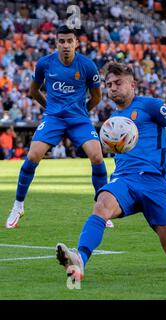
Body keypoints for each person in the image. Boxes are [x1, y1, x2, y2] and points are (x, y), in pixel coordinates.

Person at [56, 62, 166, 283]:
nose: (113, 88)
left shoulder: (150, 106)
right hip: (124, 179)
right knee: (101, 205)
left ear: (133, 84)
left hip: (154, 183)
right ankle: (80, 258)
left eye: (118, 83)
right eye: (109, 84)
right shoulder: (112, 120)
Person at [5, 26, 113, 229]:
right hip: (53, 118)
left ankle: (102, 209)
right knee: (32, 156)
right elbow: (34, 91)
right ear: (56, 43)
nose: (65, 45)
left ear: (76, 43)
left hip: (78, 119)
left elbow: (97, 96)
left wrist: (82, 112)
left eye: (69, 41)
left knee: (97, 156)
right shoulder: (45, 64)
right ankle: (18, 206)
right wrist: (51, 109)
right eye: (61, 41)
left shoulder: (87, 66)